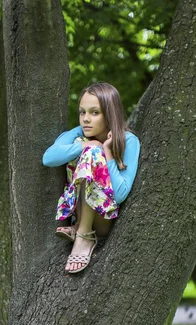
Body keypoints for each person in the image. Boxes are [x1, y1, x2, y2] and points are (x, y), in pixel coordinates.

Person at [42, 82, 140, 273]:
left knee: (93, 152)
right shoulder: (78, 135)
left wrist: (106, 151)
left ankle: (84, 235)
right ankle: (80, 227)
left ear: (109, 113)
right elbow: (48, 158)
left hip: (103, 220)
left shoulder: (128, 141)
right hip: (77, 211)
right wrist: (86, 145)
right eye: (82, 112)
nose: (86, 119)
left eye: (94, 112)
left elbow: (120, 195)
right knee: (87, 148)